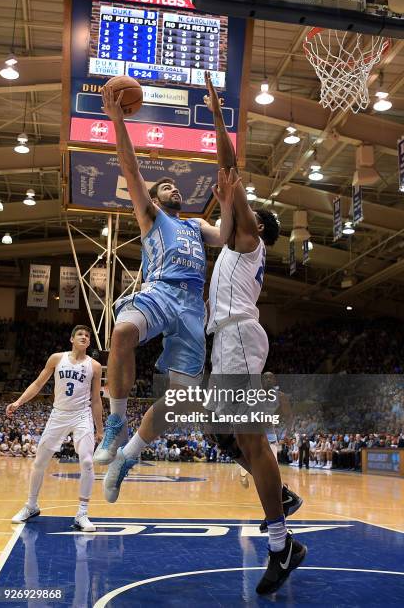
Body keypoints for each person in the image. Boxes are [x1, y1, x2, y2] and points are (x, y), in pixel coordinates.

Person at [94, 82, 233, 500]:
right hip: (159, 292)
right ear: (153, 198)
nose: (173, 186)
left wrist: (227, 201)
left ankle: (128, 456)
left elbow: (226, 235)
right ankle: (116, 424)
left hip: (193, 308)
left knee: (185, 401)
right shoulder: (152, 216)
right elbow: (130, 167)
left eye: (175, 184)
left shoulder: (194, 226)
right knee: (121, 333)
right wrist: (118, 121)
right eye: (166, 184)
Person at [204, 72, 307, 595]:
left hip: (240, 338)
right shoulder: (233, 241)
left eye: (247, 209)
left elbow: (229, 167)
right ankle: (281, 498)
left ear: (257, 227)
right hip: (226, 341)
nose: (243, 206)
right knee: (217, 431)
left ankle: (281, 542)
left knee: (249, 438)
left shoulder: (249, 238)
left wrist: (220, 117)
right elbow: (226, 197)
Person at [6, 325, 103, 532]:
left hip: (81, 415)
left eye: (87, 335)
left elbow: (96, 399)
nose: (84, 337)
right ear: (71, 339)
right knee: (40, 461)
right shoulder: (57, 358)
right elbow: (38, 384)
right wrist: (18, 402)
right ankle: (31, 506)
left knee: (86, 461)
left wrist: (100, 429)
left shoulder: (94, 366)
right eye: (80, 334)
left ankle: (82, 513)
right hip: (58, 414)